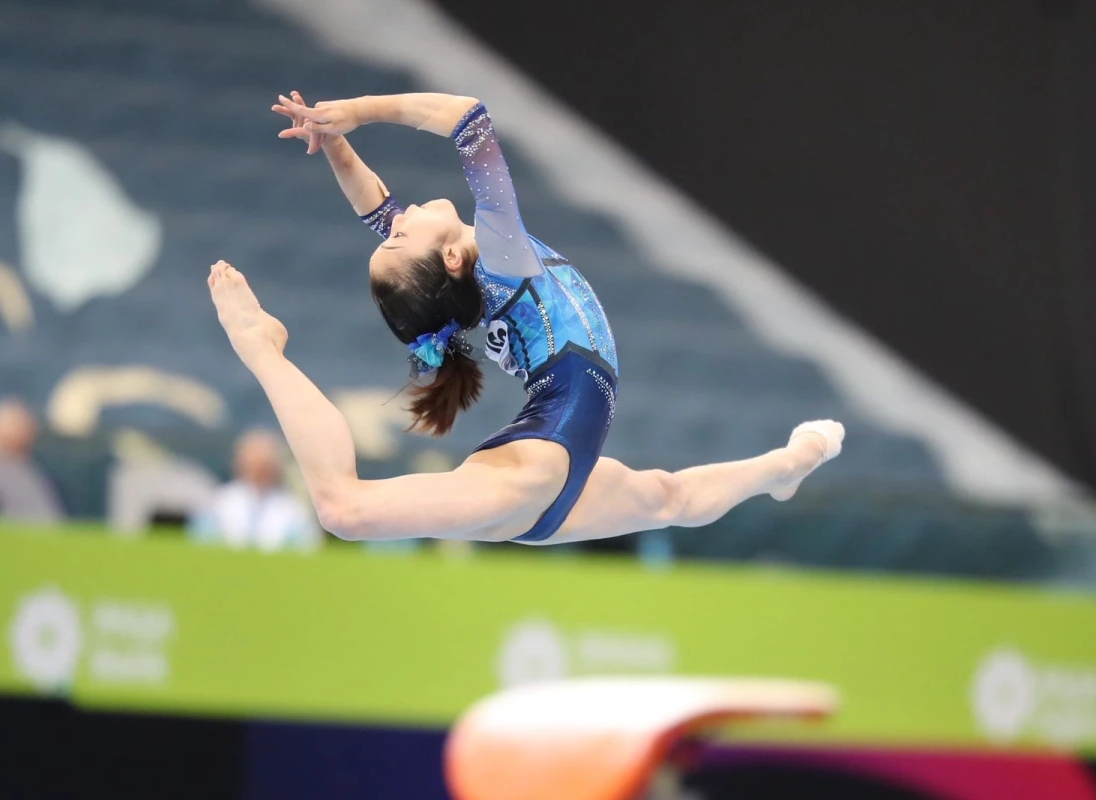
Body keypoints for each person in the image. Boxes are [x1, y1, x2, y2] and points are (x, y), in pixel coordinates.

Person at [205, 90, 844, 544]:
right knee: (343, 509)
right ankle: (262, 347)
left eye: (389, 232)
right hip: (538, 470)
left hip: (551, 474)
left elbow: (373, 203)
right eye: (396, 236)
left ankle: (785, 467)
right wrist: (360, 111)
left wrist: (335, 143)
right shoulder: (502, 256)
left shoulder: (473, 277)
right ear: (449, 257)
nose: (395, 218)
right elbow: (469, 121)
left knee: (668, 497)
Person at [188, 428, 318, 551]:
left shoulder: (294, 509)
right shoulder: (217, 502)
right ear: (240, 464)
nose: (258, 471)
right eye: (253, 464)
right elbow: (201, 544)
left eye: (264, 465)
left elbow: (305, 549)